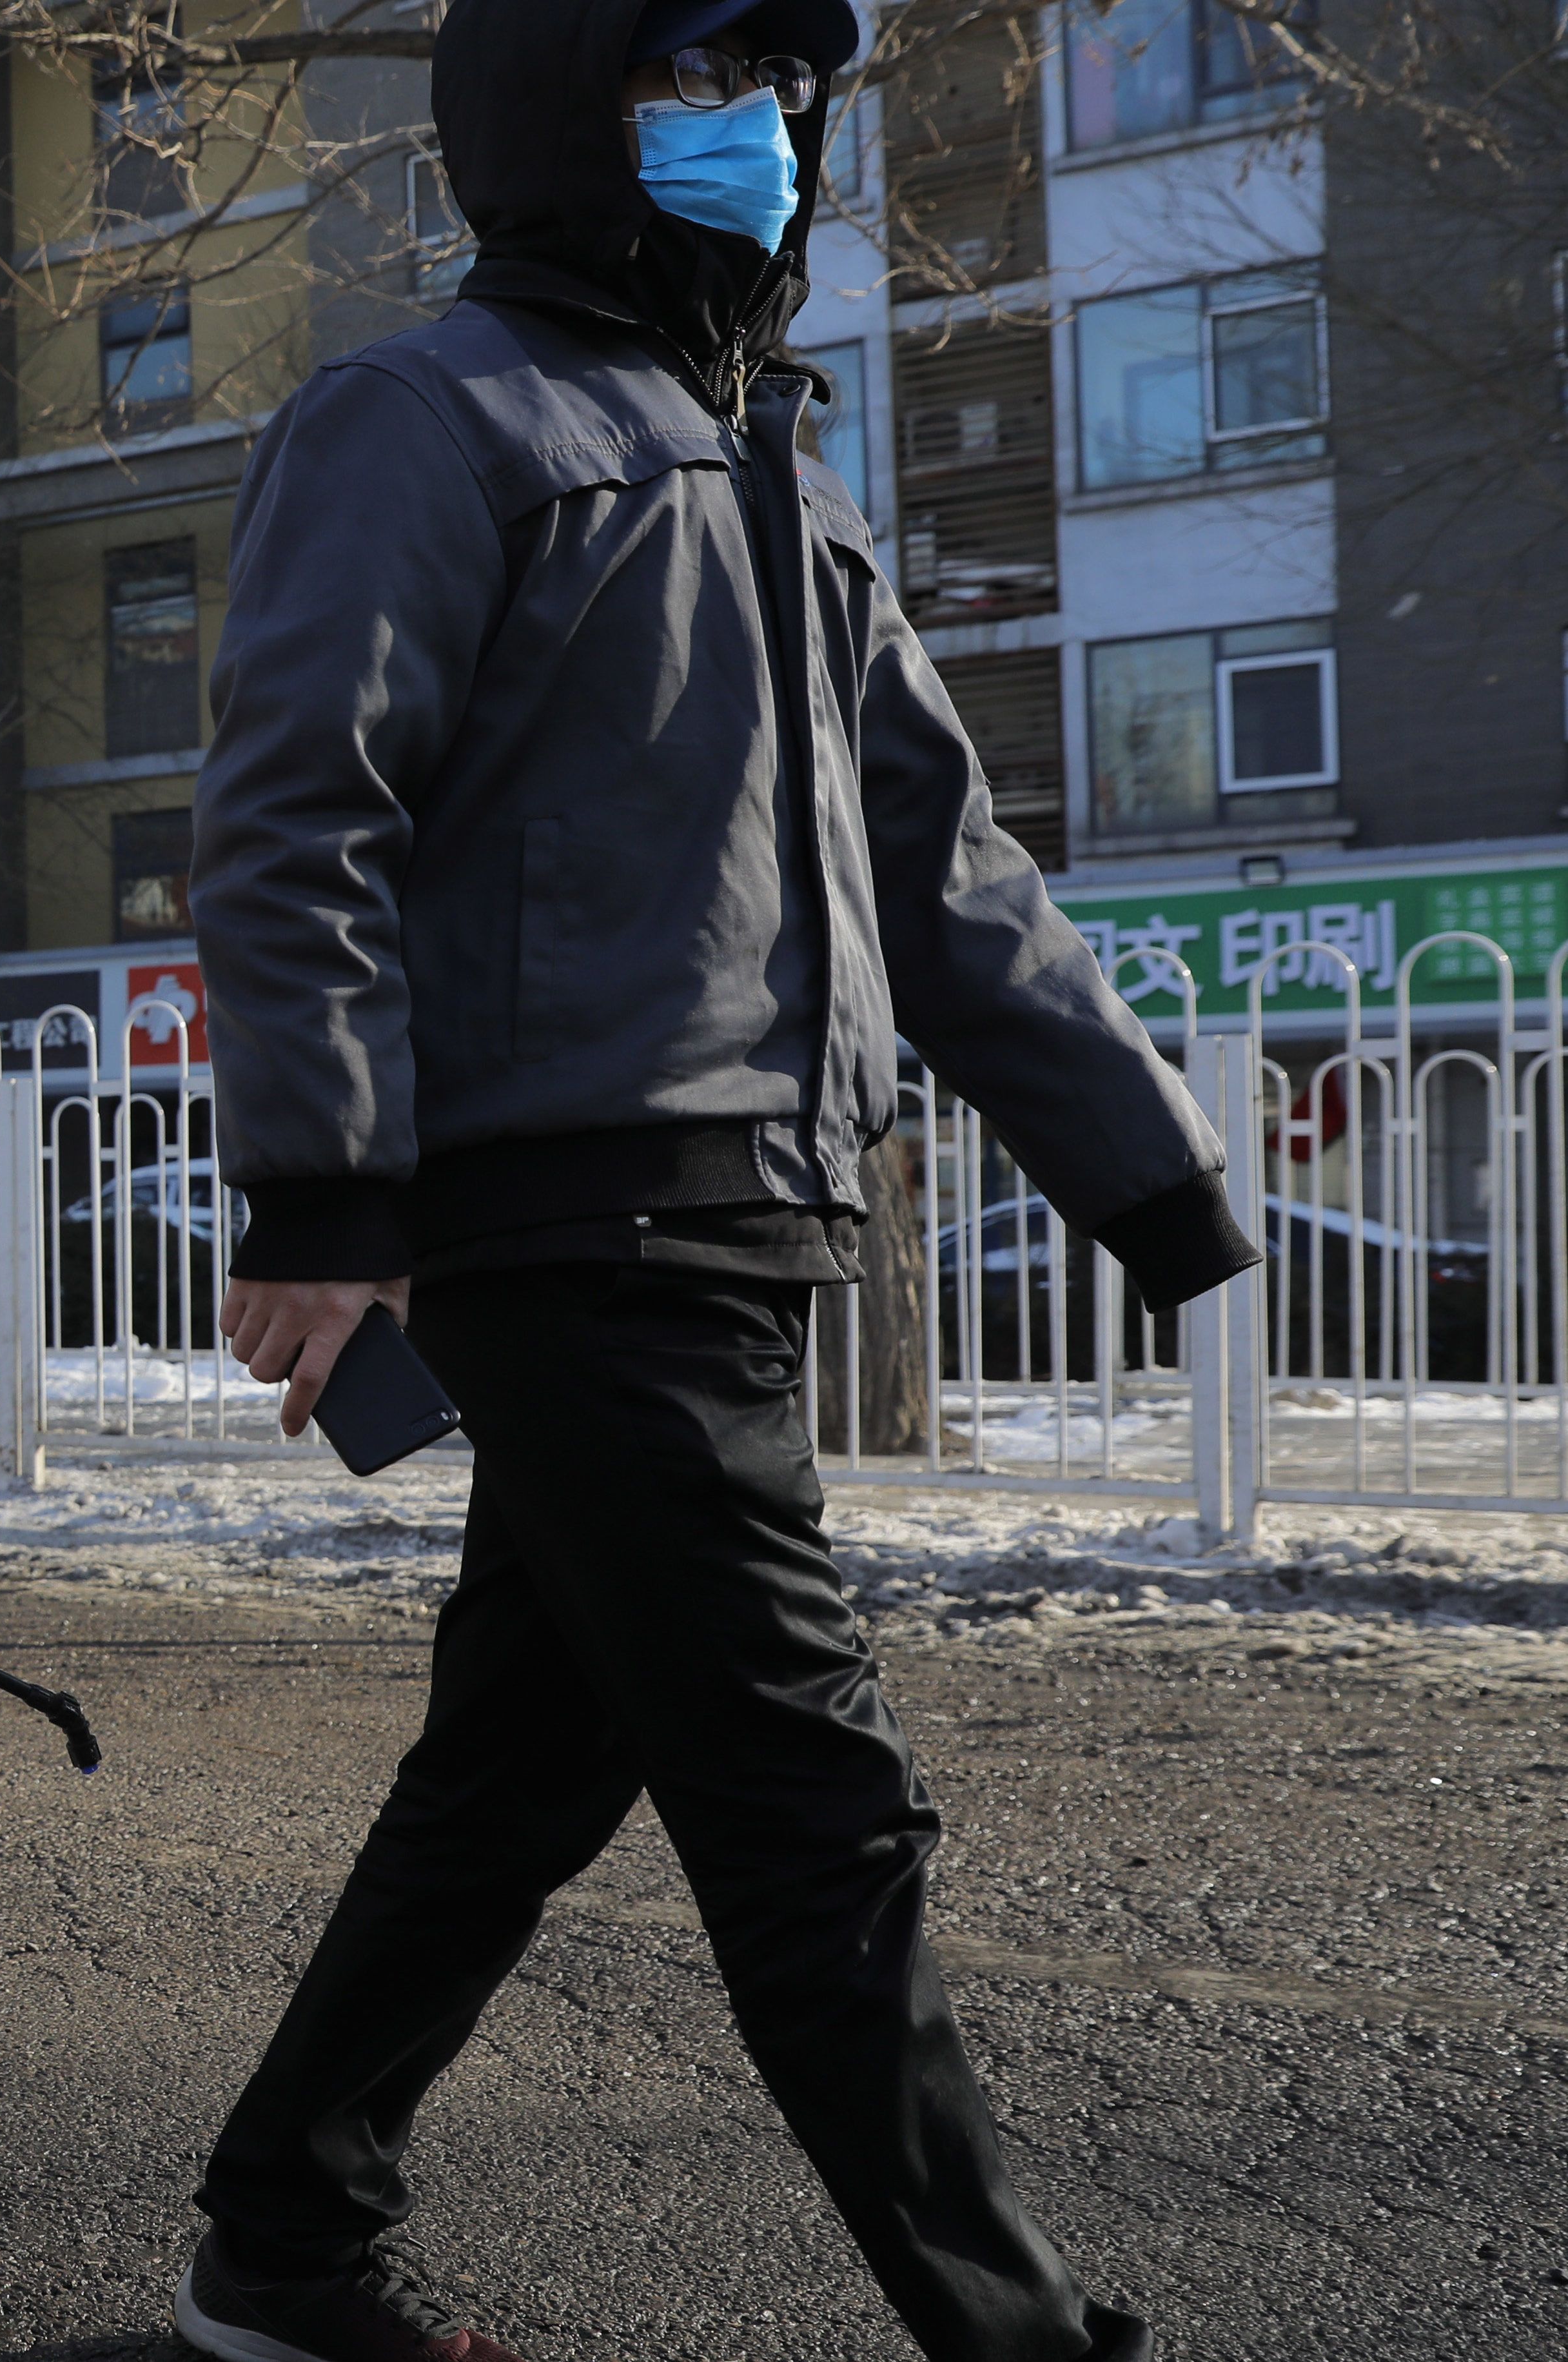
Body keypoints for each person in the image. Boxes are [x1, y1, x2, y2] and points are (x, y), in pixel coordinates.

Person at [174, 3, 1258, 2357]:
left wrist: (1148, 1177)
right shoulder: (422, 417)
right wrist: (324, 1190)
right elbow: (292, 820)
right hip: (561, 1213)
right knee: (806, 1806)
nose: (759, 136)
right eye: (695, 88)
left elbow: (934, 860)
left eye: (778, 97)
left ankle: (278, 2237)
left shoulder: (766, 460)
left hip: (737, 1211)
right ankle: (1015, 2338)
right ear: (572, 118)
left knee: (517, 1773)